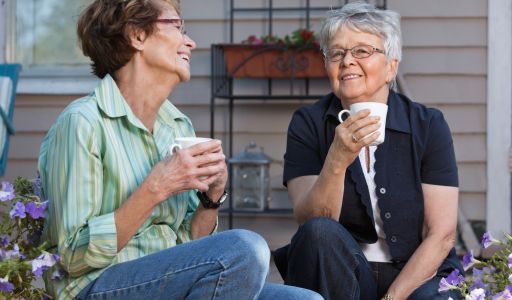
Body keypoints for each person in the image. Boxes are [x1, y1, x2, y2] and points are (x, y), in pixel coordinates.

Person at [38, 0, 323, 299]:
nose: (190, 42)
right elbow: (72, 256)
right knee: (245, 247)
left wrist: (212, 197)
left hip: (168, 282)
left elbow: (190, 246)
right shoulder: (83, 122)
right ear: (137, 35)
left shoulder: (177, 126)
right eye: (176, 27)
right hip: (96, 286)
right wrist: (156, 187)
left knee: (306, 299)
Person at [273, 2, 463, 300]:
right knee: (318, 232)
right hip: (342, 271)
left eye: (362, 50)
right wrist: (337, 158)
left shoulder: (428, 125)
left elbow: (441, 235)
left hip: (417, 274)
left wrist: (392, 298)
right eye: (336, 53)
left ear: (391, 65)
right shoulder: (308, 123)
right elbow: (312, 222)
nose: (347, 60)